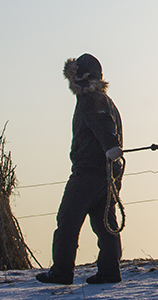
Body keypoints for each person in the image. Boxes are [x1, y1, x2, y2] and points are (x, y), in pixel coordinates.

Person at [37, 53, 125, 285]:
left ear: (81, 78)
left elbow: (103, 125)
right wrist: (112, 154)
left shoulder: (91, 100)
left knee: (67, 220)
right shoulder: (106, 100)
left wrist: (111, 147)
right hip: (107, 174)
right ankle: (109, 271)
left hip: (88, 173)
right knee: (105, 224)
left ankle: (62, 272)